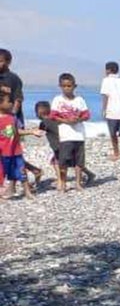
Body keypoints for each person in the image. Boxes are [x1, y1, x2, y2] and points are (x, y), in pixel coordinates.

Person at [0, 49, 42, 183]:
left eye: (1, 61)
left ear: (8, 62)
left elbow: (18, 99)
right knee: (4, 150)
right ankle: (34, 170)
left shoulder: (13, 78)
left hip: (12, 118)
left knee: (12, 149)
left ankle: (13, 184)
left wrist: (12, 117)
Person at [49, 73, 90, 192]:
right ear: (60, 86)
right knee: (64, 161)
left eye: (69, 86)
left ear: (74, 86)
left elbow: (86, 114)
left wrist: (79, 119)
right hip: (65, 135)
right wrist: (65, 120)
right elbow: (53, 116)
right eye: (64, 86)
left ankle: (78, 183)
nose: (67, 88)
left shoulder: (79, 100)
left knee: (79, 161)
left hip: (79, 135)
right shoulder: (57, 100)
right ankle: (63, 182)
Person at [0, 93, 37, 199]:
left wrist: (31, 132)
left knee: (21, 170)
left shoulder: (13, 118)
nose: (12, 103)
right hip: (2, 152)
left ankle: (27, 191)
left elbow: (17, 132)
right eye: (9, 101)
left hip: (15, 151)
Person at [100, 61, 120, 161]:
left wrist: (104, 109)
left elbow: (105, 96)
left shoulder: (106, 81)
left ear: (108, 70)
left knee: (113, 133)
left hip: (112, 111)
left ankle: (116, 152)